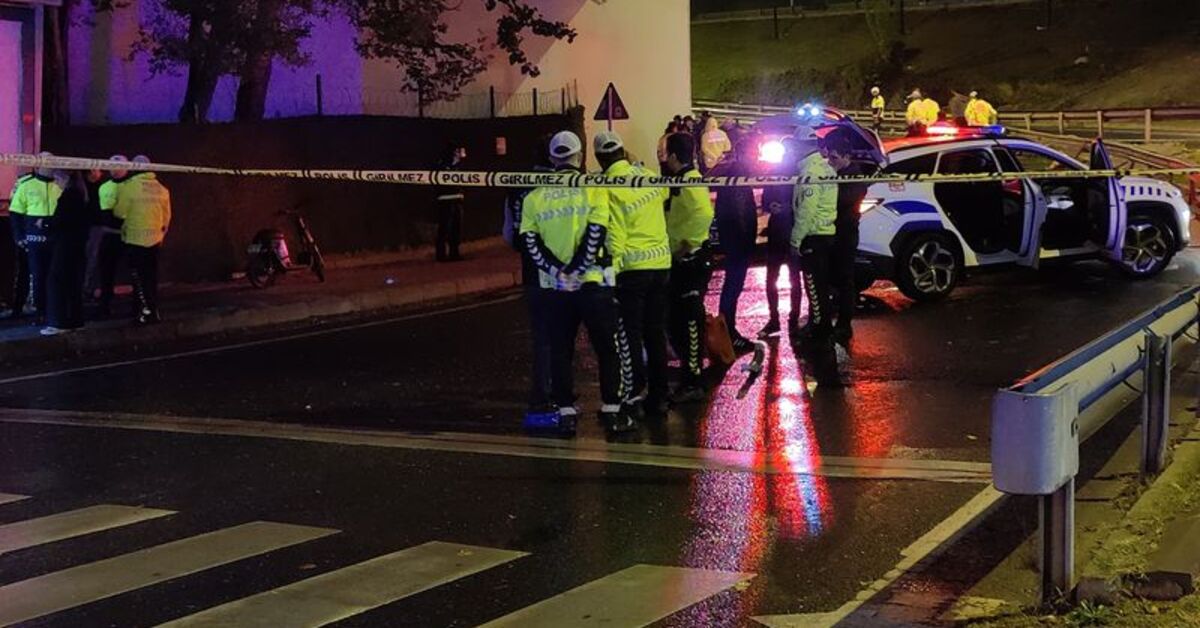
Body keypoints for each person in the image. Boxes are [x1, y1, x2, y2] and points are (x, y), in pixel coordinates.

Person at [519, 131, 636, 435]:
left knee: (560, 350)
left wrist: (559, 273)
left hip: (555, 289)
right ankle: (612, 410)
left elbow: (530, 244)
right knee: (607, 349)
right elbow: (596, 233)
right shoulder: (594, 190)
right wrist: (578, 269)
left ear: (552, 158)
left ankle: (566, 413)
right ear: (580, 156)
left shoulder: (534, 197)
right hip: (592, 284)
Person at [594, 130, 672, 417]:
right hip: (660, 265)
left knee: (629, 335)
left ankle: (633, 396)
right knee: (655, 333)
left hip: (631, 270)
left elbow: (614, 234)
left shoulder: (607, 186)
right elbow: (664, 193)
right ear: (623, 152)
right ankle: (660, 396)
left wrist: (609, 272)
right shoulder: (647, 176)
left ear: (599, 157)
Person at [502, 137, 556, 429]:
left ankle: (541, 397)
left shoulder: (517, 185)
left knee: (542, 339)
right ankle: (562, 400)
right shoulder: (568, 184)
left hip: (533, 272)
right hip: (567, 273)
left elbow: (510, 234)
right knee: (563, 337)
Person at [664, 133, 715, 404]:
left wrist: (688, 246)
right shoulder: (681, 180)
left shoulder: (690, 181)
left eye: (665, 151)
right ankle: (689, 372)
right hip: (679, 259)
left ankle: (694, 379)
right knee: (675, 320)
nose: (662, 156)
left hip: (691, 260)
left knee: (690, 320)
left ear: (673, 155)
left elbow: (704, 215)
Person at [791, 128, 842, 385]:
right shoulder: (825, 168)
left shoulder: (811, 172)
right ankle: (821, 327)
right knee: (819, 287)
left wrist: (796, 239)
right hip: (825, 234)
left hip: (814, 236)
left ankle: (821, 332)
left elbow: (806, 210)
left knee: (814, 288)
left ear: (802, 147)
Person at [825, 130, 872, 346]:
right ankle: (829, 322)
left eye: (834, 158)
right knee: (832, 279)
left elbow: (842, 201)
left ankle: (844, 325)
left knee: (845, 281)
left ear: (845, 156)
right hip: (833, 234)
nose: (830, 162)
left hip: (846, 234)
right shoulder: (837, 174)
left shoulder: (854, 176)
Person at [713, 138, 759, 351]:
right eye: (753, 154)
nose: (755, 158)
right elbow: (740, 212)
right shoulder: (737, 175)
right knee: (733, 287)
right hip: (738, 241)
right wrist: (747, 241)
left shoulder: (735, 173)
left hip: (734, 239)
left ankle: (728, 329)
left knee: (733, 287)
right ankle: (728, 331)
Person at [114, 155, 171, 325]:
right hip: (155, 239)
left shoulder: (130, 187)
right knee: (151, 277)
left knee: (138, 277)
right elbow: (166, 218)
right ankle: (153, 310)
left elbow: (119, 212)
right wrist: (161, 236)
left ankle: (143, 312)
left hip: (135, 238)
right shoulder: (162, 189)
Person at [8, 153, 63, 321]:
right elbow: (16, 213)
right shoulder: (26, 185)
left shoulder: (60, 185)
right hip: (33, 238)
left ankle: (51, 309)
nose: (49, 168)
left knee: (53, 275)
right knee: (37, 275)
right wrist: (19, 237)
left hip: (54, 238)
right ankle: (38, 310)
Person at [760, 138, 803, 338]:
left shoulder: (801, 173)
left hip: (790, 229)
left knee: (790, 278)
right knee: (778, 278)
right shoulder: (775, 173)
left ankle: (790, 320)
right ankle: (779, 320)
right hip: (780, 229)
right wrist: (772, 206)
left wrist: (783, 208)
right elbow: (765, 199)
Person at [42, 171, 92, 335]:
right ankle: (75, 320)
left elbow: (61, 220)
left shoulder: (69, 196)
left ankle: (59, 322)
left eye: (57, 178)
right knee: (73, 283)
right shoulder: (81, 195)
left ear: (66, 179)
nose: (56, 182)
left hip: (64, 245)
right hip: (76, 245)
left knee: (57, 281)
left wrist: (45, 223)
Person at [96, 155, 130, 318]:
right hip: (112, 235)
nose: (114, 168)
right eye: (112, 165)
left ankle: (136, 306)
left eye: (118, 165)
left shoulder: (132, 186)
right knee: (106, 274)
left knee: (134, 272)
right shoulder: (105, 187)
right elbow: (105, 215)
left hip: (130, 236)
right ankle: (105, 307)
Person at [434, 144, 467, 262]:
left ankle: (454, 253)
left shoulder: (458, 167)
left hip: (457, 200)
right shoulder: (442, 166)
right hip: (445, 200)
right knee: (444, 229)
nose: (460, 155)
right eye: (457, 152)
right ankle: (441, 255)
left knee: (456, 229)